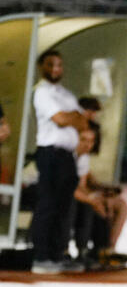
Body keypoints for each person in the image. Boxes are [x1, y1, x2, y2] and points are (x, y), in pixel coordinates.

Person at [30, 49, 88, 274]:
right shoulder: (41, 92)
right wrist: (71, 117)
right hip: (50, 154)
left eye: (59, 65)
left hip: (67, 156)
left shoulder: (65, 94)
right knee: (48, 205)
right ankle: (41, 257)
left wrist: (71, 117)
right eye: (51, 65)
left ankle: (57, 254)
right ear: (41, 67)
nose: (56, 69)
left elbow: (83, 122)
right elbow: (62, 119)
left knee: (64, 208)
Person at [73, 99, 127, 270]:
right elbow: (72, 183)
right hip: (70, 193)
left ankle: (108, 248)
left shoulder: (84, 153)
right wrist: (93, 196)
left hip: (80, 190)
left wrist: (104, 189)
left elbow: (86, 178)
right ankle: (97, 250)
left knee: (120, 204)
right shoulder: (68, 146)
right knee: (98, 204)